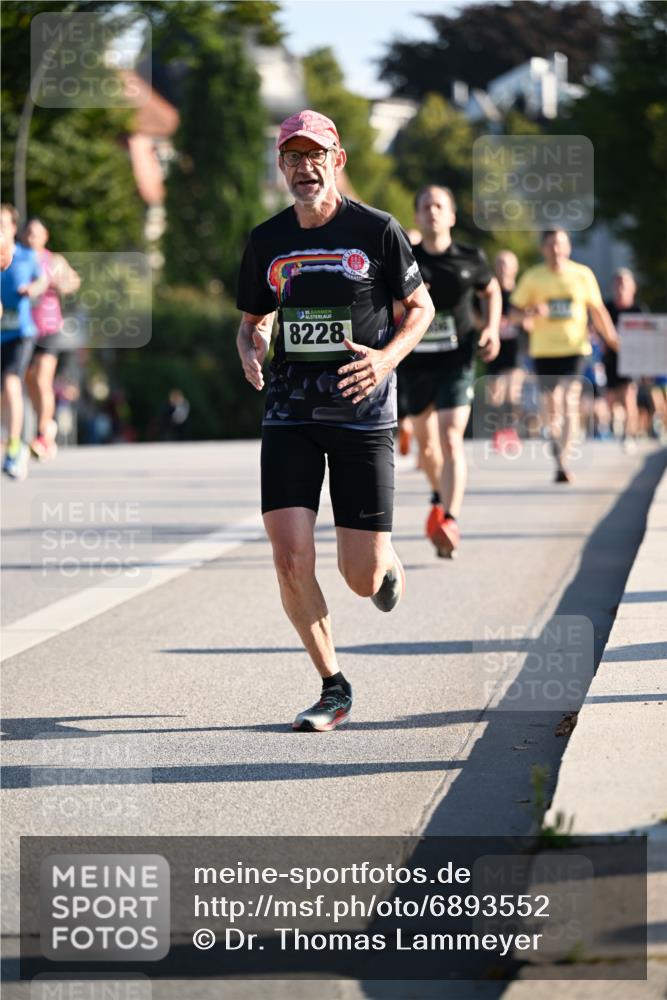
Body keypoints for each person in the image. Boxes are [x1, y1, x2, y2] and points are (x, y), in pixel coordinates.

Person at [235, 110, 434, 732]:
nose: (305, 167)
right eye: (293, 157)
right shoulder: (266, 239)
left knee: (360, 578)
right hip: (289, 411)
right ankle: (333, 686)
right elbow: (252, 320)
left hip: (362, 414)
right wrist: (250, 345)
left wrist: (385, 359)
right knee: (289, 556)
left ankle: (385, 562)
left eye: (315, 155)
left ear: (337, 160)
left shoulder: (377, 230)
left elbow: (420, 308)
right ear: (281, 166)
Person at [397, 185, 501, 558]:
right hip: (415, 363)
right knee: (426, 448)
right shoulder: (404, 260)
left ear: (452, 215)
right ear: (417, 216)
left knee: (450, 437)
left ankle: (450, 520)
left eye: (439, 205)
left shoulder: (471, 257)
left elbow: (491, 291)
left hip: (457, 360)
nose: (432, 211)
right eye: (425, 206)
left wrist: (491, 328)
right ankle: (439, 495)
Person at [510, 229, 618, 483]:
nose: (556, 250)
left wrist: (612, 339)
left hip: (574, 348)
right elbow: (513, 313)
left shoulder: (582, 275)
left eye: (560, 244)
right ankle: (556, 440)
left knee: (569, 401)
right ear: (543, 249)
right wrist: (529, 313)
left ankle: (563, 461)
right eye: (551, 245)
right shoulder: (533, 277)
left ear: (568, 247)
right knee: (551, 406)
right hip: (544, 351)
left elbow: (598, 310)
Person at [23, 217, 81, 460]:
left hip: (49, 327)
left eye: (36, 234)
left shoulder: (53, 260)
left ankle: (41, 433)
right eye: (28, 233)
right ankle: (46, 425)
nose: (31, 238)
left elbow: (74, 281)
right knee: (29, 380)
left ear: (45, 237)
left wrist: (58, 285)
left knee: (42, 379)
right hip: (25, 328)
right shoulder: (19, 258)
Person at [1, 204, 46, 480]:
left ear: (13, 228)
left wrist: (33, 289)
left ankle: (15, 449)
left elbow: (42, 281)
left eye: (3, 225)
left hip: (20, 333)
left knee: (11, 382)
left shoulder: (27, 256)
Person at [485, 250, 526, 450]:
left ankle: (511, 432)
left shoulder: (521, 293)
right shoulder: (489, 292)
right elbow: (476, 317)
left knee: (512, 394)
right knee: (495, 396)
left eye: (506, 264)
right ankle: (498, 432)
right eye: (499, 263)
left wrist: (522, 319)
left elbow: (530, 320)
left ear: (515, 268)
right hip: (494, 348)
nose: (503, 268)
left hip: (515, 348)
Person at [602, 268, 645, 452]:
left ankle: (629, 435)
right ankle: (617, 425)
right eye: (618, 284)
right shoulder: (607, 308)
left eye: (624, 284)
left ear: (632, 287)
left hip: (630, 360)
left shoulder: (638, 310)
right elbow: (597, 329)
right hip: (610, 361)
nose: (621, 288)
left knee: (629, 396)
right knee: (612, 399)